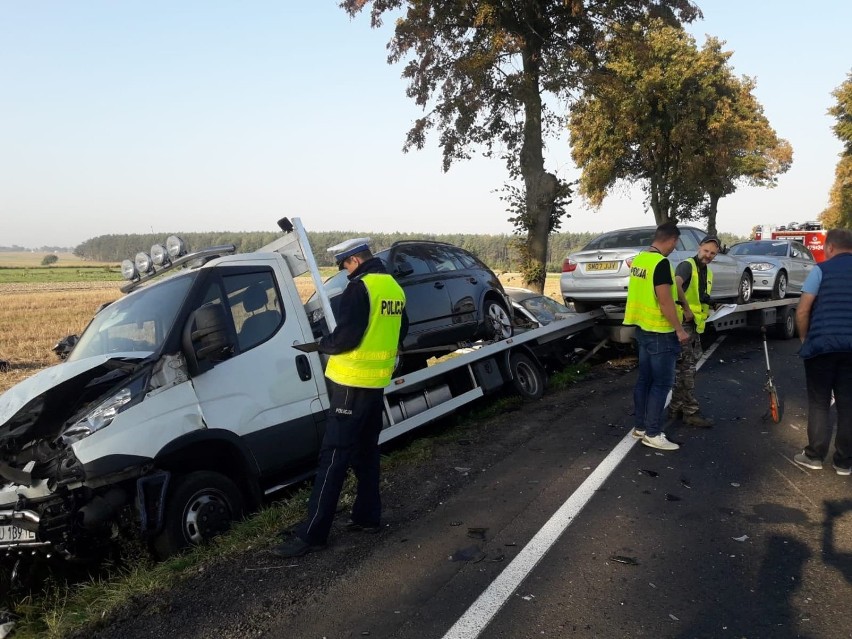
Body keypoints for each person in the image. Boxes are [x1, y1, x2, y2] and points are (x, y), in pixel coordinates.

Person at [273, 238, 408, 557]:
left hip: (350, 384)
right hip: (375, 383)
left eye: (345, 265)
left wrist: (324, 344)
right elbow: (401, 332)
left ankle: (312, 535)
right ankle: (367, 517)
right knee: (366, 453)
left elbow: (346, 337)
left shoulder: (358, 288)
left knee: (333, 458)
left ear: (355, 261)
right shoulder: (393, 288)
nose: (345, 272)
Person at [623, 222, 690, 451]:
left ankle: (640, 427)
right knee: (661, 384)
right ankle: (652, 432)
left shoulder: (641, 258)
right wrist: (679, 329)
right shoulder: (660, 263)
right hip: (661, 332)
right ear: (671, 240)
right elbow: (664, 301)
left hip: (642, 329)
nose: (674, 248)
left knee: (645, 380)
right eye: (675, 243)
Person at [793, 228, 852, 475]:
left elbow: (803, 309)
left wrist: (805, 339)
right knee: (848, 404)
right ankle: (844, 461)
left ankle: (814, 455)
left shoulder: (821, 270)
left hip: (822, 346)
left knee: (819, 403)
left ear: (829, 248)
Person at [668, 235, 720, 428]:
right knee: (687, 370)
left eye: (713, 253)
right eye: (706, 251)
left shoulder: (707, 271)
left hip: (695, 325)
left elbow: (699, 294)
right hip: (684, 324)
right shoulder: (687, 265)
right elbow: (676, 284)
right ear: (700, 247)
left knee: (684, 369)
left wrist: (712, 304)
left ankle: (676, 407)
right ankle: (690, 411)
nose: (708, 255)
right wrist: (687, 308)